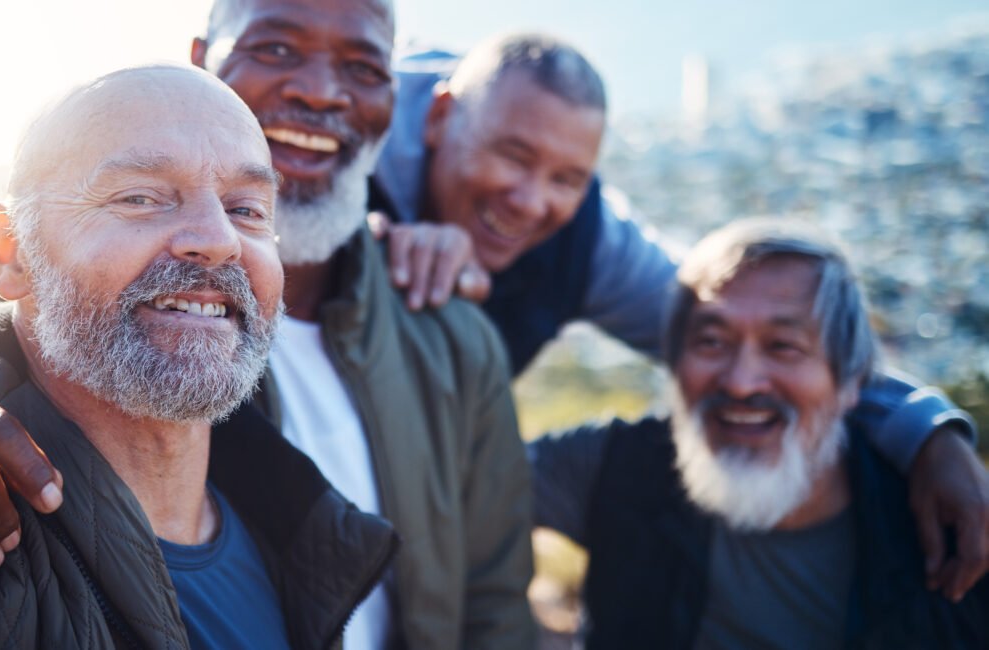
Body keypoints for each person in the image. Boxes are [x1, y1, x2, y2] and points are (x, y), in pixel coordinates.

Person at [0, 1, 534, 648]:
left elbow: (497, 598)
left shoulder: (442, 326)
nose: (321, 91)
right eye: (142, 196)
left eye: (245, 208)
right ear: (209, 59)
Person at [371, 31, 989, 600]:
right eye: (511, 154)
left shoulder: (589, 243)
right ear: (441, 117)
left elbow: (739, 329)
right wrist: (365, 267)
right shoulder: (342, 144)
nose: (532, 201)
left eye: (567, 177)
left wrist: (930, 433)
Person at [529, 218, 989, 648]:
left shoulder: (947, 532)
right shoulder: (620, 469)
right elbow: (469, 478)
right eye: (711, 342)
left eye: (783, 346)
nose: (740, 381)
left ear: (851, 382)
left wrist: (934, 434)